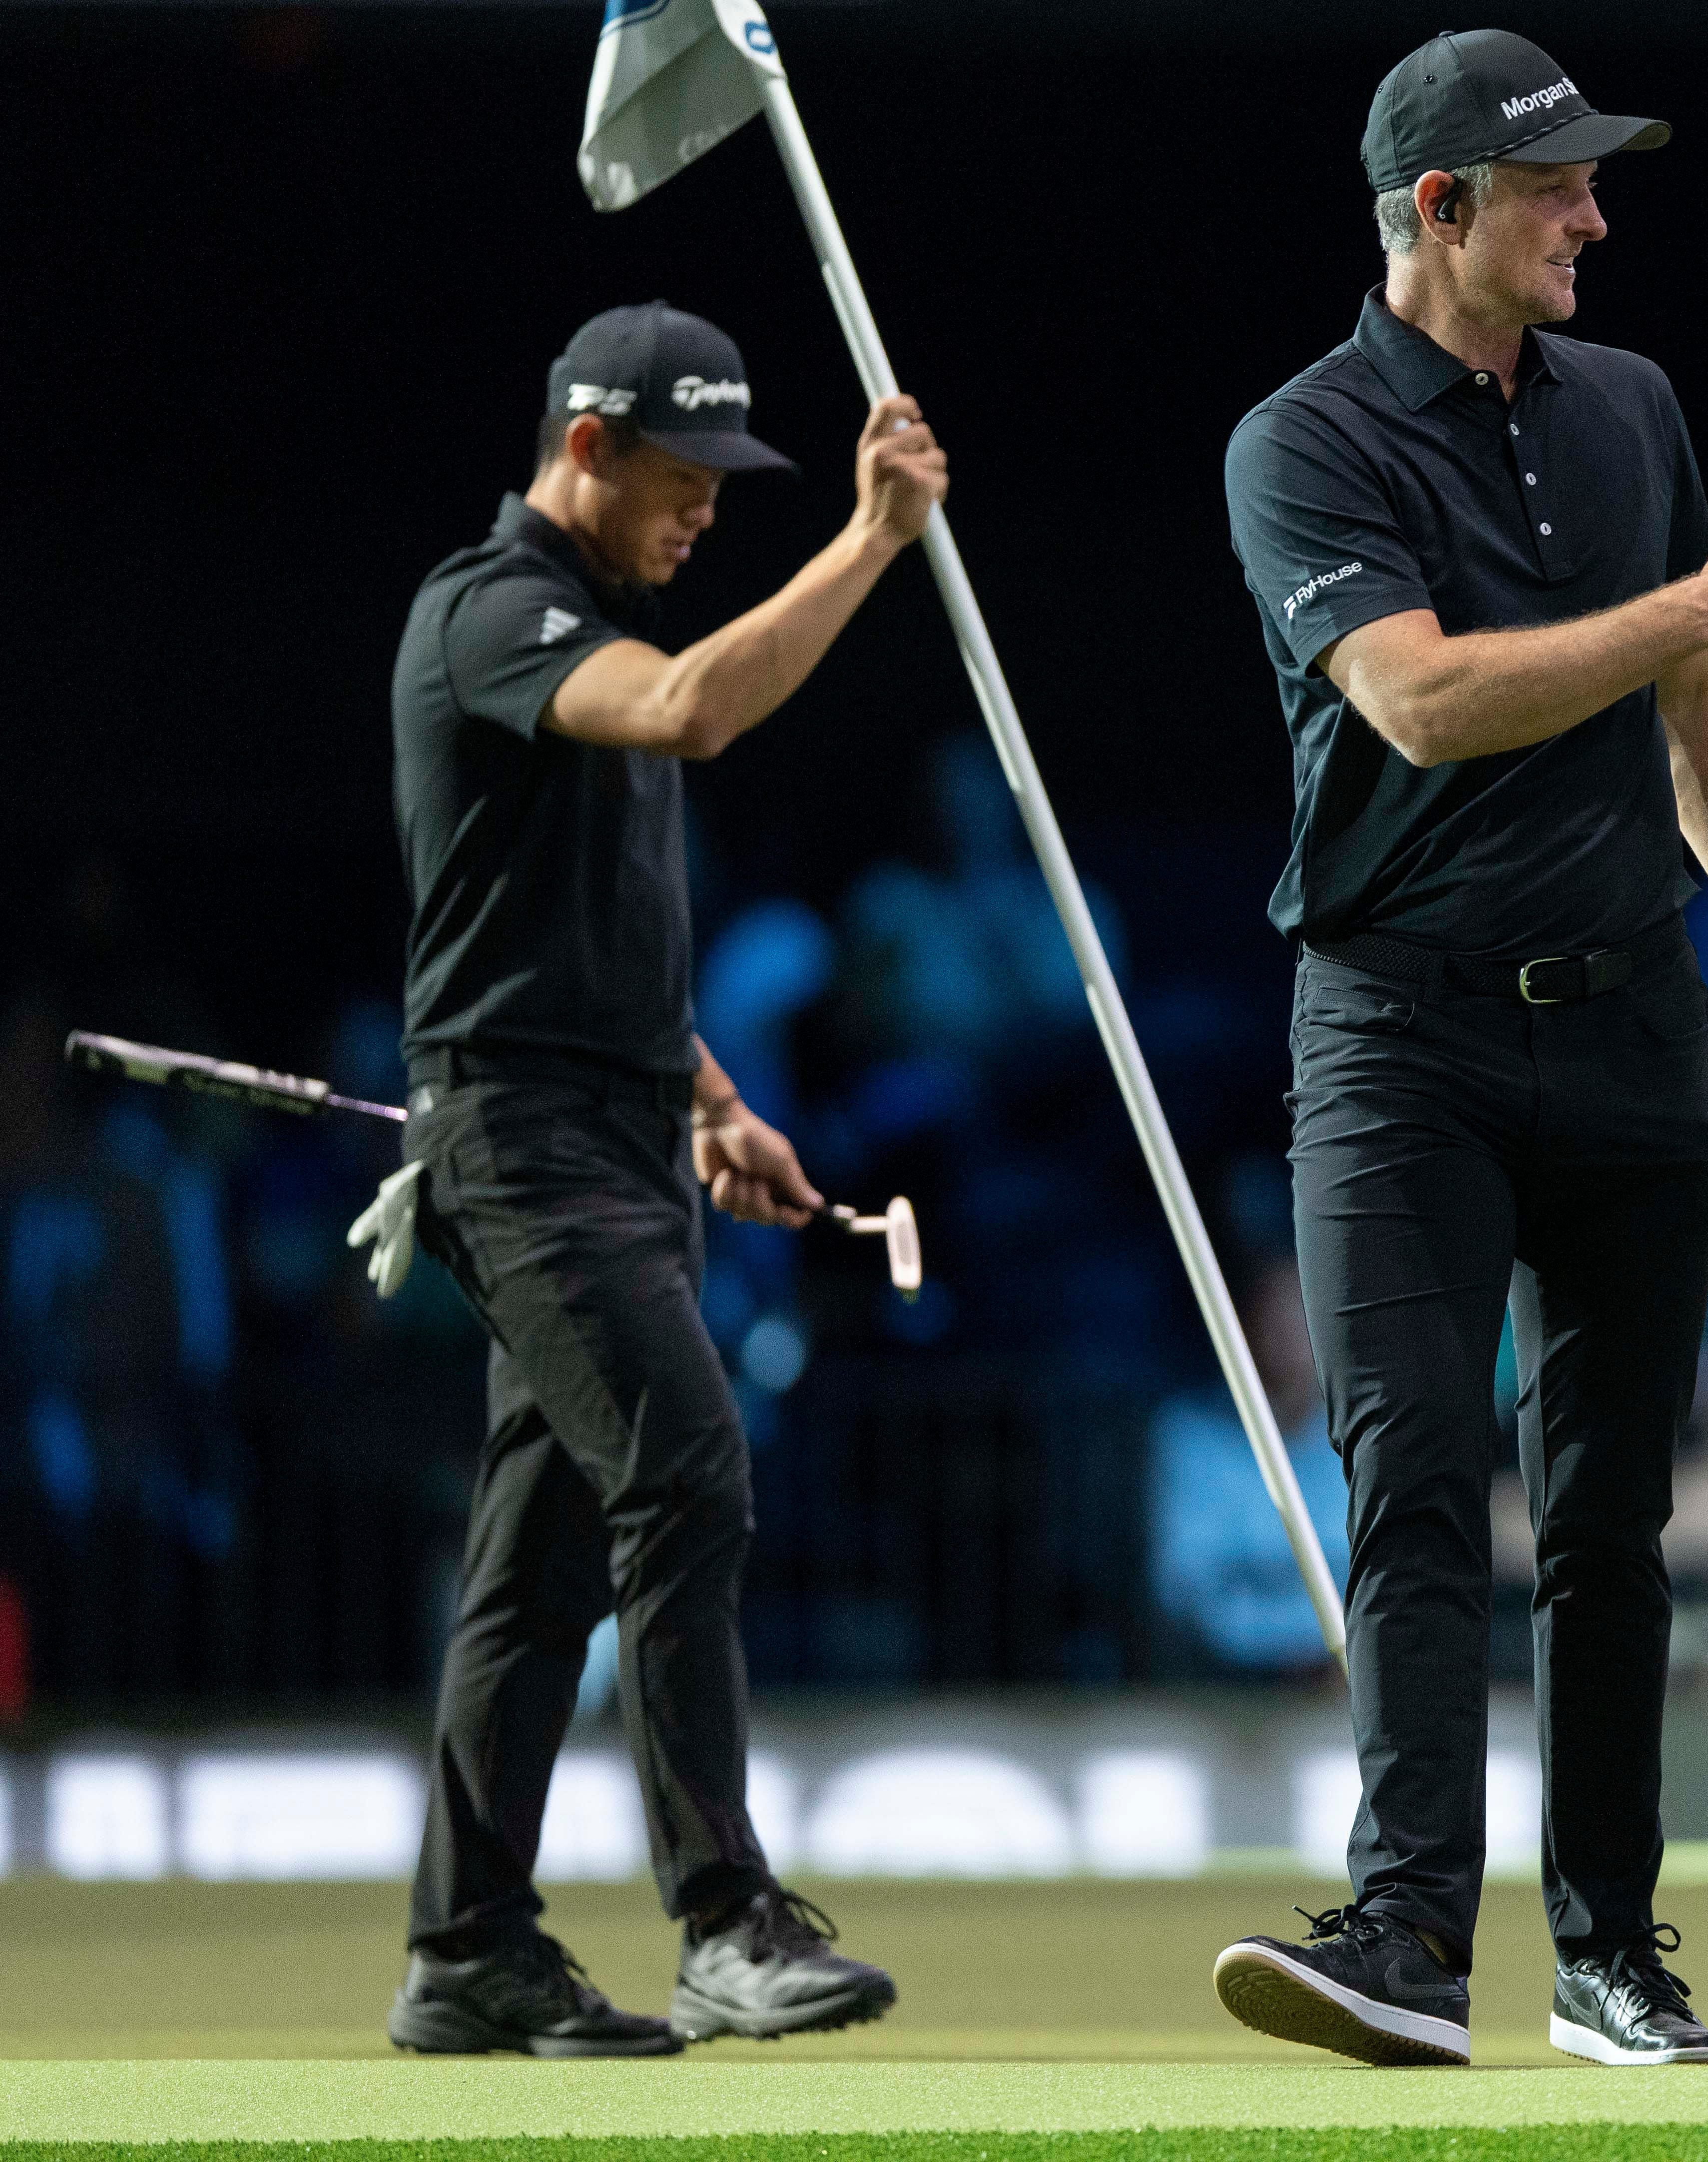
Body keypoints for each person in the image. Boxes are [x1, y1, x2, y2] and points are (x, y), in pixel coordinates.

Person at [1208, 28, 1708, 2071]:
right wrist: (1698, 608)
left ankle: (1611, 1950)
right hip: (1400, 1027)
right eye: (1556, 187)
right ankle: (1405, 1936)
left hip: (1640, 1014)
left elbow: (1698, 715)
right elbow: (1423, 700)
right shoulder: (1302, 442)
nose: (1596, 216)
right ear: (1442, 210)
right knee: (1411, 1485)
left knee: (1609, 1519)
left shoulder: (1628, 402)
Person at [379, 302, 944, 2056]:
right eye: (684, 475)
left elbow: (574, 934)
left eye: (728, 481)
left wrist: (712, 1096)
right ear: (587, 449)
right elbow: (698, 713)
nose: (708, 509)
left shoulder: (590, 625)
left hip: (622, 1133)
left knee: (542, 1558)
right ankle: (725, 1920)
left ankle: (469, 1953)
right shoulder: (496, 615)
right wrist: (872, 540)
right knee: (689, 1470)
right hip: (524, 1145)